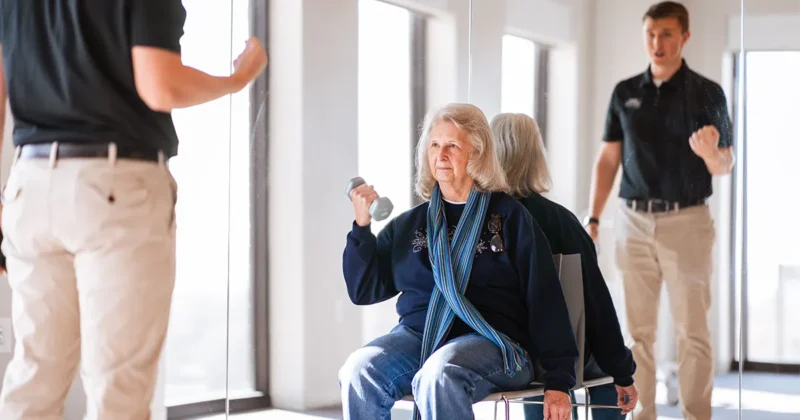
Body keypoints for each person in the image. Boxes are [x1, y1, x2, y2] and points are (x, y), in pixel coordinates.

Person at [0, 1, 267, 418]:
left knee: (35, 376)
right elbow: (159, 85)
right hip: (113, 186)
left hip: (29, 188)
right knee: (117, 387)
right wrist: (237, 78)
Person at [339, 103, 577, 420]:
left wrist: (559, 380)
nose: (441, 155)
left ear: (477, 153)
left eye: (452, 145)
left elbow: (545, 296)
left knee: (439, 373)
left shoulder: (509, 217)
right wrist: (362, 227)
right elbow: (364, 290)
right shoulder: (411, 224)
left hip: (493, 340)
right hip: (418, 335)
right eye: (435, 145)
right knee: (359, 369)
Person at [585, 2, 734, 420]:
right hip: (632, 220)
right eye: (650, 34)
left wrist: (710, 154)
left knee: (693, 333)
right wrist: (594, 218)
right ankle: (642, 415)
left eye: (667, 34)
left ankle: (695, 415)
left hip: (687, 220)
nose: (657, 43)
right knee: (637, 334)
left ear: (685, 37)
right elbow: (608, 160)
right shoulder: (624, 91)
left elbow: (726, 163)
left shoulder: (707, 93)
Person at [491, 113, 638, 420]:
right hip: (552, 361)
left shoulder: (474, 220)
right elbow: (596, 305)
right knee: (603, 361)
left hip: (492, 355)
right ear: (536, 156)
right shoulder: (561, 222)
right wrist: (623, 371)